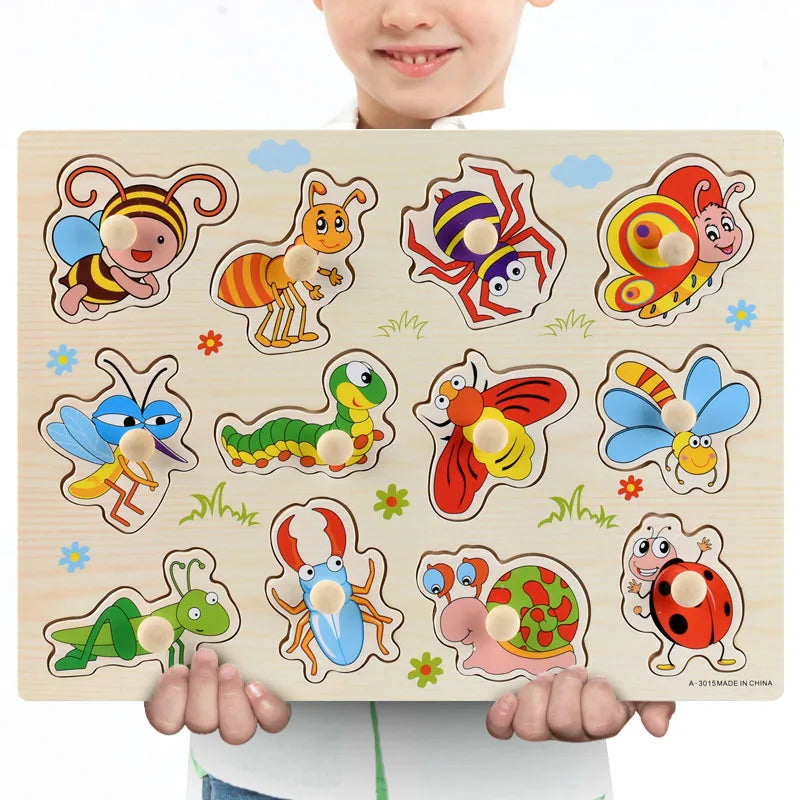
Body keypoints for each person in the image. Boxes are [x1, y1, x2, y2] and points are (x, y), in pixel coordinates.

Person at [145, 2, 676, 798]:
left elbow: (657, 487)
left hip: (522, 770)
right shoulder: (237, 219)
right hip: (268, 768)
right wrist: (172, 645)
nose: (405, 12)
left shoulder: (615, 223)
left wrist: (647, 653)